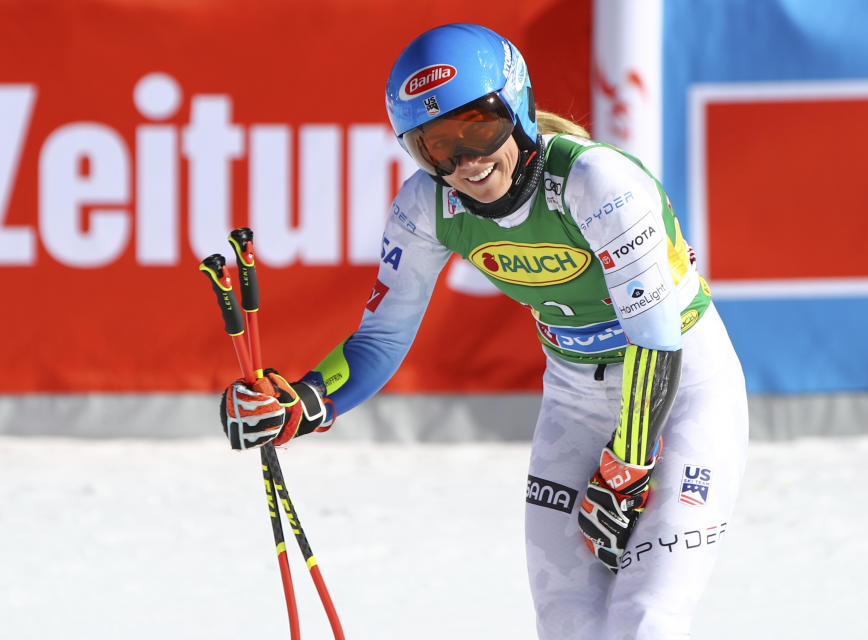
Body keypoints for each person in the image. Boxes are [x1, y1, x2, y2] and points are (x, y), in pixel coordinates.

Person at [220, 23, 749, 640]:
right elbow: (381, 340)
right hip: (577, 396)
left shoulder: (597, 183)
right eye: (436, 146)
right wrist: (305, 400)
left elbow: (656, 340)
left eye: (481, 128)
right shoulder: (426, 208)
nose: (466, 160)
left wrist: (629, 462)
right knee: (567, 624)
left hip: (681, 390)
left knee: (644, 619)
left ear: (519, 105)